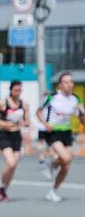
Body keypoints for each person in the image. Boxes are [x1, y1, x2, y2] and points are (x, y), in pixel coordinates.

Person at [37, 72, 85, 203]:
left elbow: (81, 115)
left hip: (67, 132)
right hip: (53, 132)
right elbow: (38, 111)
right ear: (60, 84)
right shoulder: (52, 97)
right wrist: (45, 124)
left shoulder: (76, 98)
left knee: (66, 165)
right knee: (66, 157)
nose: (70, 84)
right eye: (66, 82)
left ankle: (52, 192)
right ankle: (49, 164)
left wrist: (82, 117)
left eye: (71, 82)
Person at [0, 80, 28, 201]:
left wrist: (24, 123)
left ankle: (3, 190)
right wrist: (3, 124)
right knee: (11, 163)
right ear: (10, 90)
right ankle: (0, 186)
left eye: (19, 90)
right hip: (5, 135)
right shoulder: (2, 103)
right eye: (15, 90)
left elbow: (27, 121)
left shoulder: (24, 104)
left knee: (13, 166)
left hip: (17, 136)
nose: (18, 92)